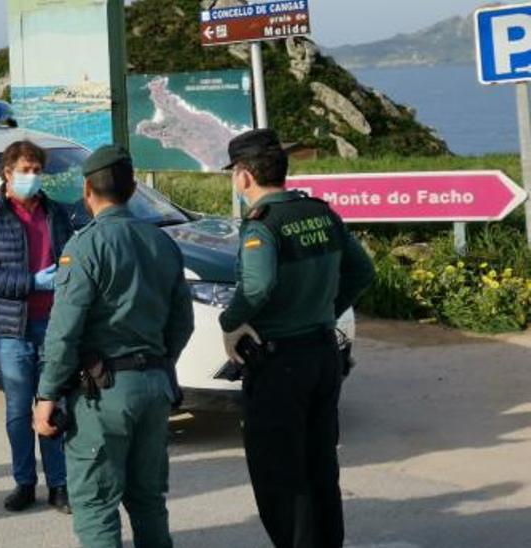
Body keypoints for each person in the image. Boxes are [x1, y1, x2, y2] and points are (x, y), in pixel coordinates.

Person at [217, 129, 374, 548]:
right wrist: (325, 308)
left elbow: (256, 286)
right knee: (321, 466)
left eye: (234, 173)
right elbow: (362, 271)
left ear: (244, 176)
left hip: (279, 363)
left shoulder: (263, 225)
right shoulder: (320, 212)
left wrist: (229, 323)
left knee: (281, 477)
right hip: (323, 354)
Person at [32, 145, 194, 548]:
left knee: (96, 507)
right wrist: (159, 364)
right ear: (133, 187)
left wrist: (46, 394)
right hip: (155, 384)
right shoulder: (163, 243)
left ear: (87, 190)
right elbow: (183, 322)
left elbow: (64, 331)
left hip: (102, 394)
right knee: (148, 501)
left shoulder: (85, 246)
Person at [0, 140, 74, 514]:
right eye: (24, 170)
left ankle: (59, 484)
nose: (31, 177)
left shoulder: (55, 213)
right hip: (11, 327)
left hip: (53, 324)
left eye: (37, 170)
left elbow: (70, 259)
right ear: (7, 173)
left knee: (53, 405)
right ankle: (24, 482)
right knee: (18, 411)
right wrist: (32, 282)